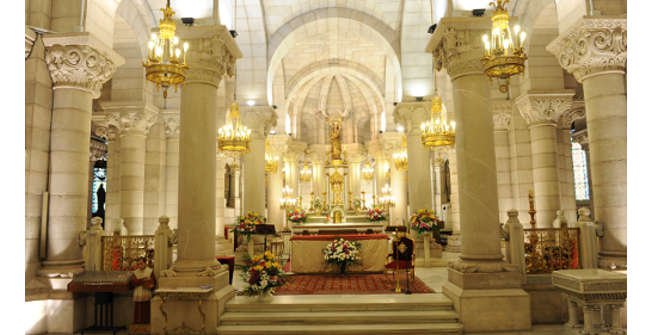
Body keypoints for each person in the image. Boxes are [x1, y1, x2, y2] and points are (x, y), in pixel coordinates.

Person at [130, 257, 155, 324]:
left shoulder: (150, 271)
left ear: (145, 263)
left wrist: (147, 282)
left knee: (146, 310)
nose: (140, 265)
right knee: (138, 311)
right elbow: (133, 282)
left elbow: (153, 283)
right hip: (138, 293)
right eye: (138, 264)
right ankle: (137, 326)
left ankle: (146, 326)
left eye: (141, 263)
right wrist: (142, 280)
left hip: (146, 293)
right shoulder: (135, 272)